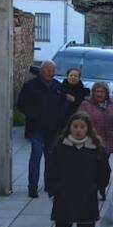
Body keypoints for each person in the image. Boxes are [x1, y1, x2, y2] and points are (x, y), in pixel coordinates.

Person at [41, 112, 110, 227]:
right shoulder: (60, 146)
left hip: (87, 196)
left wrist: (98, 187)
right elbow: (51, 169)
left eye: (82, 127)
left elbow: (104, 171)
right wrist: (53, 189)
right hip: (64, 196)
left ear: (88, 129)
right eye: (75, 127)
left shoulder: (95, 148)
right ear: (70, 128)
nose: (78, 130)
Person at [17, 60, 66, 198]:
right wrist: (34, 115)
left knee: (51, 157)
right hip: (36, 127)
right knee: (36, 155)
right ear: (42, 71)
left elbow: (63, 106)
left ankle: (49, 184)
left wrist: (60, 121)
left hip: (53, 128)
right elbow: (21, 104)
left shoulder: (58, 86)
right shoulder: (31, 86)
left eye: (52, 71)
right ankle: (32, 186)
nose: (50, 73)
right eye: (48, 70)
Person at [78, 80, 113, 157]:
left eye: (102, 92)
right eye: (97, 91)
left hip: (108, 142)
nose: (99, 94)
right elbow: (79, 120)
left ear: (106, 93)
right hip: (90, 142)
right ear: (93, 92)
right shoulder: (85, 105)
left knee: (104, 166)